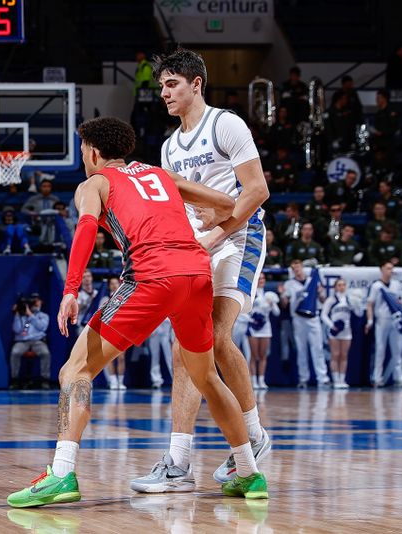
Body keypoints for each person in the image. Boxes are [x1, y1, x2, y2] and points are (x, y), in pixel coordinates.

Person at [7, 117, 268, 509]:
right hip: (197, 273)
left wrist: (71, 290)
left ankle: (61, 473)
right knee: (208, 377)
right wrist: (212, 219)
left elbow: (84, 230)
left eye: (82, 151)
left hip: (152, 277)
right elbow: (229, 202)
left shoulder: (94, 183)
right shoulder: (159, 174)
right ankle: (250, 473)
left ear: (93, 152)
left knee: (74, 370)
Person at [131, 48, 271, 493]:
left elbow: (258, 190)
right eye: (161, 86)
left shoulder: (225, 124)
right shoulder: (170, 146)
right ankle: (179, 461)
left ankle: (252, 434)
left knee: (216, 333)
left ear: (196, 84)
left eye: (172, 84)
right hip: (199, 246)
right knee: (185, 347)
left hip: (239, 238)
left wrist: (217, 232)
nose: (164, 93)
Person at [282, 259, 329, 387]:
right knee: (301, 349)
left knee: (317, 348)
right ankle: (303, 378)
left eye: (298, 267)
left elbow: (323, 299)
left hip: (313, 318)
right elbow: (284, 303)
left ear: (302, 267)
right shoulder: (289, 284)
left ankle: (322, 378)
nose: (297, 270)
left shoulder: (312, 281)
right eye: (294, 268)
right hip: (298, 318)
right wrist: (283, 296)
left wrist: (320, 292)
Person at [365, 261, 402, 387]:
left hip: (395, 319)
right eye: (388, 268)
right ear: (382, 269)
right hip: (382, 319)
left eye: (392, 268)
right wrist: (370, 320)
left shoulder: (396, 284)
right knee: (380, 349)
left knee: (397, 349)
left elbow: (400, 301)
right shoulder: (376, 286)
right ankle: (377, 377)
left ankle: (399, 377)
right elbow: (370, 304)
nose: (390, 271)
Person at [321, 279, 363, 389]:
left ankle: (342, 380)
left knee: (344, 355)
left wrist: (357, 304)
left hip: (346, 331)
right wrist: (331, 325)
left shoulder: (349, 300)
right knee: (335, 355)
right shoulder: (331, 300)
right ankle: (335, 380)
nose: (341, 287)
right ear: (335, 287)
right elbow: (323, 315)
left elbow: (359, 314)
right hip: (335, 331)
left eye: (343, 285)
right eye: (339, 285)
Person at [9, 293, 52, 390]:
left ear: (41, 302)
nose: (35, 304)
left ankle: (45, 379)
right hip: (22, 341)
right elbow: (17, 330)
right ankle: (14, 379)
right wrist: (17, 314)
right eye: (33, 301)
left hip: (38, 341)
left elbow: (42, 327)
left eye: (37, 301)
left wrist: (31, 315)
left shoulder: (43, 316)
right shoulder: (21, 315)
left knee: (45, 353)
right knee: (15, 352)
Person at [246, 274, 279, 390]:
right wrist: (252, 320)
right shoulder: (251, 293)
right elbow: (245, 311)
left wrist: (272, 304)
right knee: (254, 355)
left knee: (263, 355)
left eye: (263, 278)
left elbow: (277, 313)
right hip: (253, 328)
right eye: (259, 278)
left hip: (265, 328)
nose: (261, 281)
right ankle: (253, 380)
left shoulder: (269, 295)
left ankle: (261, 380)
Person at [97, 277, 126, 389]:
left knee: (121, 357)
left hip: (122, 330)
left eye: (116, 283)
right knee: (109, 356)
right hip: (109, 329)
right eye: (112, 283)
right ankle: (113, 381)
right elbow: (100, 315)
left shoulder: (125, 297)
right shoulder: (105, 298)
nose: (114, 285)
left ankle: (121, 382)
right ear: (109, 286)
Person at [147, 319, 174, 389]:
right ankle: (156, 380)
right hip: (154, 328)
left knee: (169, 357)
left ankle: (175, 378)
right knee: (154, 357)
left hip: (166, 327)